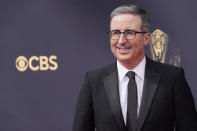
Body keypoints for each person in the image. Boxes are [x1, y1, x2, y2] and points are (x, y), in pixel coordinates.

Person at [73, 4, 197, 131]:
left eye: (129, 33)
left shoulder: (172, 79)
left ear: (146, 38)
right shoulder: (93, 82)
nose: (121, 41)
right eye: (115, 33)